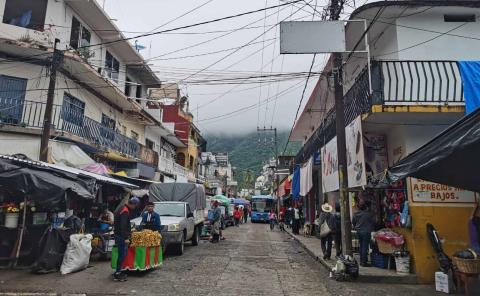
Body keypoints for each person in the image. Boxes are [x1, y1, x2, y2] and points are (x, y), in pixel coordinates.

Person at [113, 197, 140, 281]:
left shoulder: (122, 208)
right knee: (122, 255)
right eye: (135, 206)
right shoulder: (125, 211)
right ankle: (117, 273)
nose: (135, 208)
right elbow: (123, 226)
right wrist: (126, 238)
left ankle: (119, 271)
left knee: (122, 254)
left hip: (119, 235)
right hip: (121, 236)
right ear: (133, 204)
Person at [352, 202, 375, 267]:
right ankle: (364, 262)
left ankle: (362, 261)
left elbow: (353, 222)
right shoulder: (368, 214)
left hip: (359, 231)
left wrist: (356, 226)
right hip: (366, 232)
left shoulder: (356, 214)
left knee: (361, 246)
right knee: (364, 246)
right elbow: (373, 222)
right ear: (365, 208)